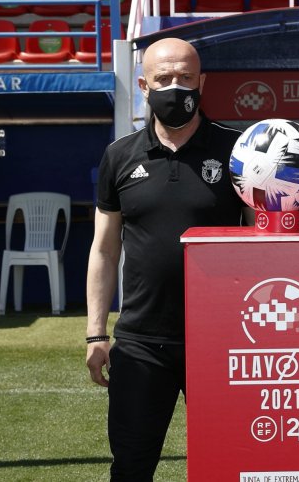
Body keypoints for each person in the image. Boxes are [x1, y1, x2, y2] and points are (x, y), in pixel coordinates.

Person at [85, 37, 248, 481]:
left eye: (185, 78)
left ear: (203, 82)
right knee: (132, 467)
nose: (175, 87)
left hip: (222, 341)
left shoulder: (241, 153)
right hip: (141, 342)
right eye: (164, 79)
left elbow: (263, 241)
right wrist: (95, 334)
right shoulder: (119, 156)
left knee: (228, 466)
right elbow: (104, 248)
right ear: (143, 85)